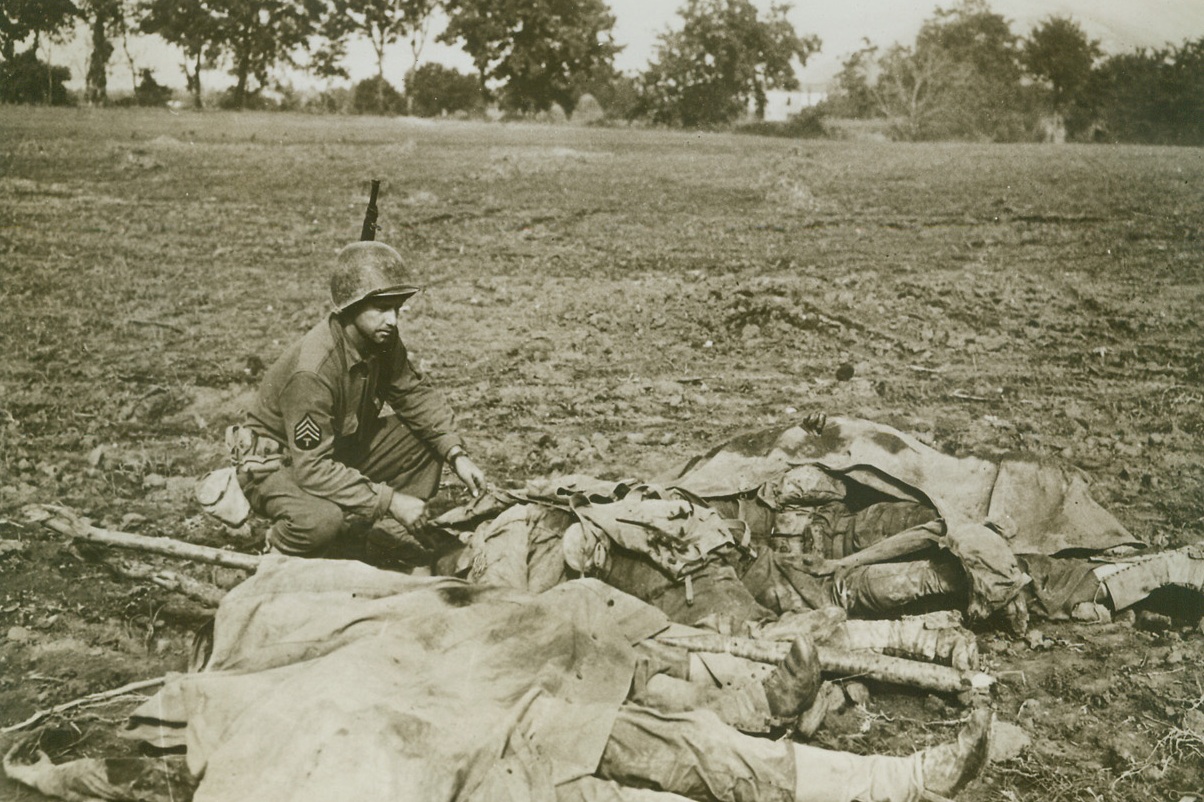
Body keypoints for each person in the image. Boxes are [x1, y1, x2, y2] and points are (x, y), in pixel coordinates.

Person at [234, 240, 486, 559]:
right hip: (275, 465)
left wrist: (456, 454)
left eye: (396, 308)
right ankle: (277, 547)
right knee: (320, 521)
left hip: (333, 447)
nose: (393, 319)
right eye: (381, 308)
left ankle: (387, 536)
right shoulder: (312, 372)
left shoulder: (380, 339)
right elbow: (311, 468)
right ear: (351, 308)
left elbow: (413, 394)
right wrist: (391, 500)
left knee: (425, 440)